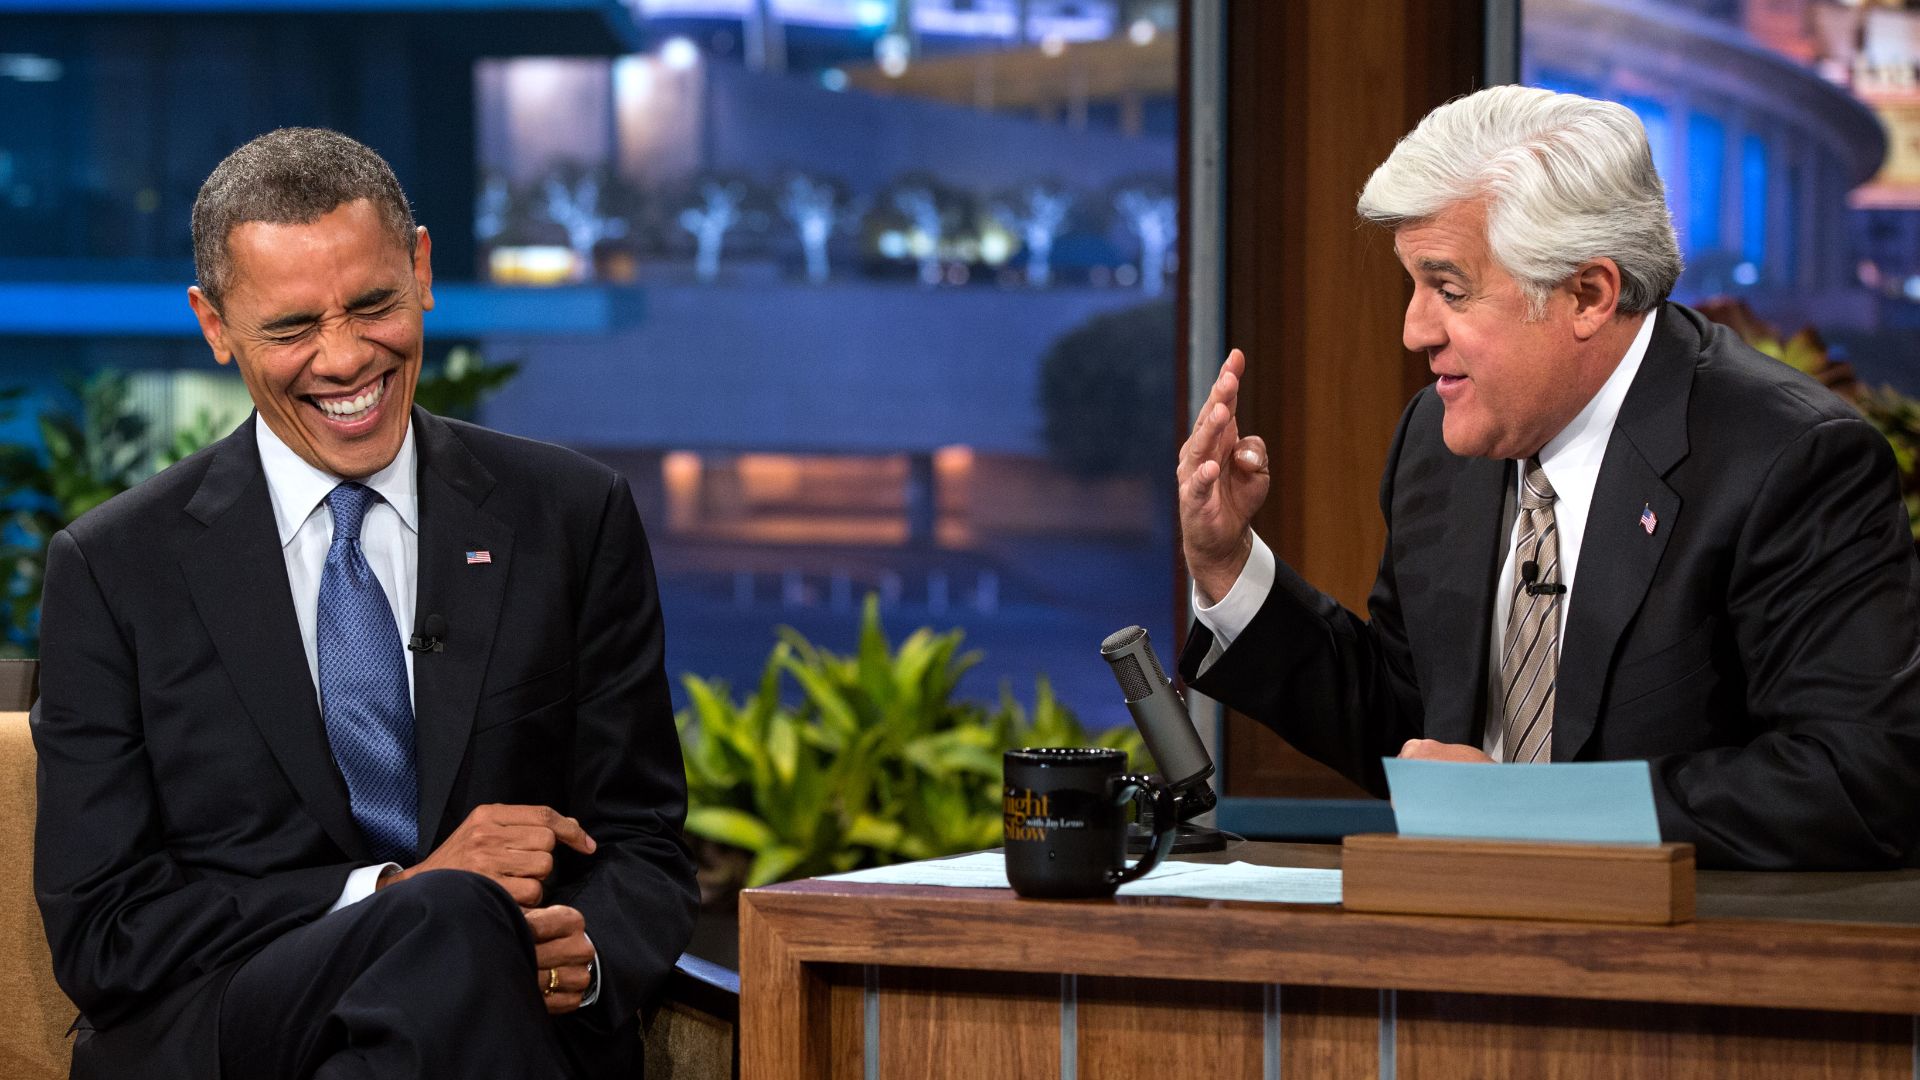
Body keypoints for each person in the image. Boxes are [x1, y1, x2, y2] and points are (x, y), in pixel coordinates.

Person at [32, 128, 697, 1079]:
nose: (344, 359)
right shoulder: (113, 569)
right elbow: (106, 931)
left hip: (498, 1017)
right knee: (452, 917)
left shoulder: (570, 516)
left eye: (373, 305)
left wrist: (582, 958)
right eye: (292, 328)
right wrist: (402, 894)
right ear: (215, 325)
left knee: (443, 975)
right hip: (234, 1026)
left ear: (421, 270)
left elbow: (641, 841)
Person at [1177, 85, 1920, 871]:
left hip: (1688, 936)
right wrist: (1229, 567)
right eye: (1413, 285)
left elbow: (1858, 779)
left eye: (1449, 289)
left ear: (1588, 295)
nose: (1414, 330)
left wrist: (1532, 811)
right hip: (1464, 927)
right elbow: (1413, 723)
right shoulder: (1438, 439)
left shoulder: (1789, 458)